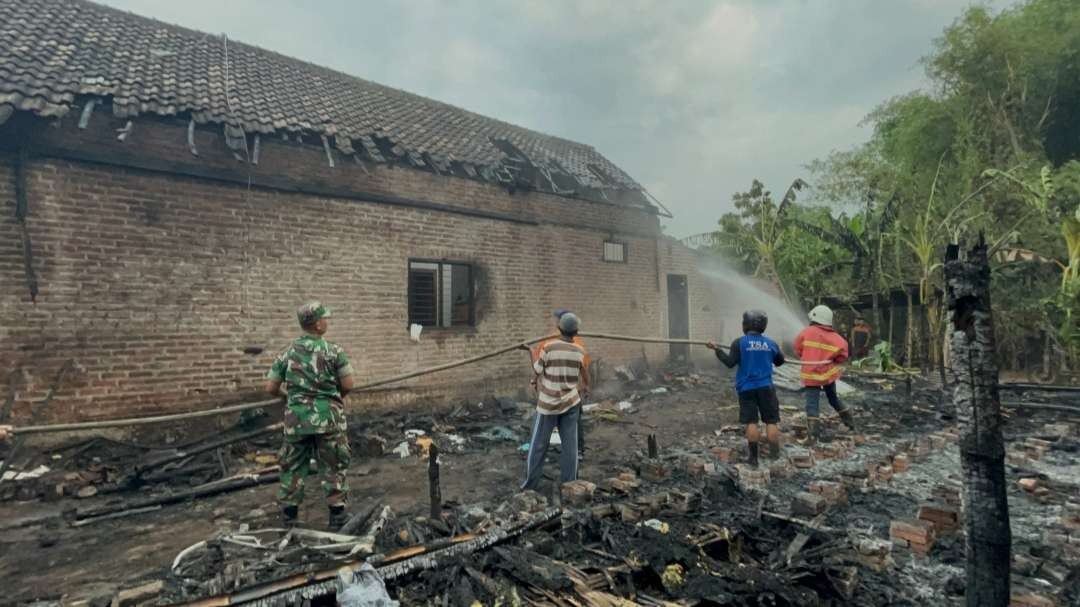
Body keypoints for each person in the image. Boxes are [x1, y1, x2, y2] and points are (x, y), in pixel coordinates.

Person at [265, 301, 355, 529]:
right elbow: (348, 384)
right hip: (329, 419)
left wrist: (290, 399)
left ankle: (290, 518)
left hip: (297, 421)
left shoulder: (287, 353)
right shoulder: (334, 352)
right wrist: (334, 398)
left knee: (292, 467)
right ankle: (337, 517)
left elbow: (270, 388)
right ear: (317, 325)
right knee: (333, 465)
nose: (327, 321)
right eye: (325, 318)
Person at [707, 310, 785, 468]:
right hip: (766, 387)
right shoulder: (771, 343)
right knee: (771, 421)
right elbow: (780, 361)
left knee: (751, 422)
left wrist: (716, 349)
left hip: (746, 388)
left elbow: (729, 363)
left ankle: (754, 459)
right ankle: (775, 456)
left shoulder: (739, 343)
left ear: (746, 325)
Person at [522, 313, 587, 491]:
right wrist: (585, 387)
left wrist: (530, 351)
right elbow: (583, 373)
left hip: (548, 404)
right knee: (570, 446)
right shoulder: (580, 351)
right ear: (576, 332)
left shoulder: (549, 347)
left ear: (559, 328)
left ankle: (530, 486)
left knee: (538, 445)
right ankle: (570, 485)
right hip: (571, 402)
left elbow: (537, 369)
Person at [794, 304, 857, 442]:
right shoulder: (837, 338)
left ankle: (813, 436)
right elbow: (843, 356)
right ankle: (850, 423)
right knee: (833, 398)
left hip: (811, 375)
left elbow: (798, 349)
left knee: (812, 404)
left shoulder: (806, 332)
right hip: (828, 374)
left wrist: (809, 357)